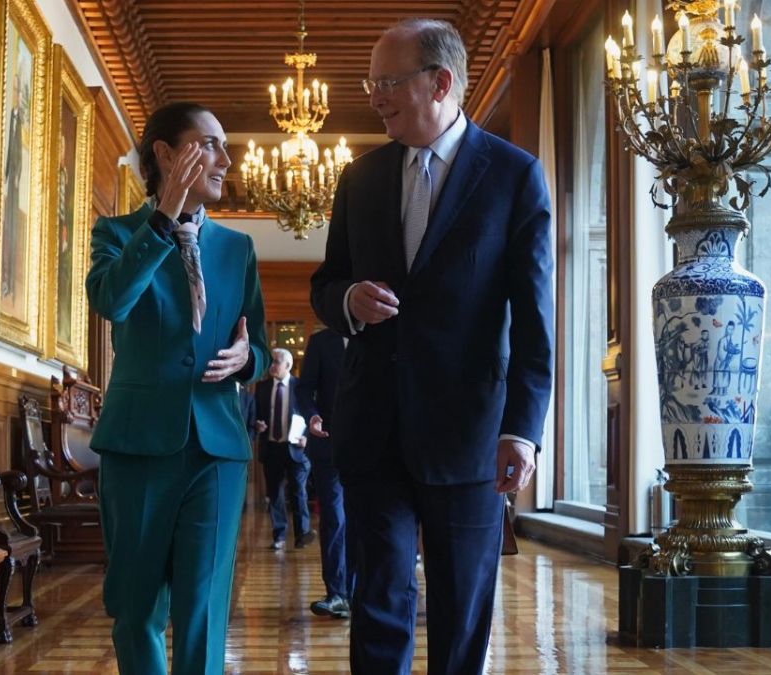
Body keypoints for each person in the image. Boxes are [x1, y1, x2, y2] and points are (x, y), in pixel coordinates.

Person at [309, 19, 554, 674]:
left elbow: (535, 323)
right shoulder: (358, 179)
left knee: (460, 611)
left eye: (387, 82)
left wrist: (523, 430)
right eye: (373, 83)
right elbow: (325, 284)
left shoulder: (514, 177)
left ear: (440, 82)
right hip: (373, 428)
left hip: (469, 438)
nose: (375, 97)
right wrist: (348, 301)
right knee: (380, 600)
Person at [86, 101, 270, 675]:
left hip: (218, 450)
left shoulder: (237, 249)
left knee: (204, 610)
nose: (225, 157)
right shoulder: (116, 234)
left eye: (224, 144)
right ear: (166, 154)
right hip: (138, 446)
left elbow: (259, 348)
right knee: (137, 608)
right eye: (209, 143)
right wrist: (161, 221)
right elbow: (111, 301)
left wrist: (247, 359)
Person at [296, 327, 354, 619]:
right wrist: (312, 415)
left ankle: (363, 591)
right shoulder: (321, 342)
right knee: (334, 516)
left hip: (377, 446)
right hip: (329, 442)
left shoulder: (384, 333)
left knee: (371, 519)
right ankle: (337, 593)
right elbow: (304, 388)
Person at [254, 348, 315, 551]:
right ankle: (279, 536)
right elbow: (256, 414)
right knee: (275, 494)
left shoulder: (300, 387)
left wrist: (306, 437)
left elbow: (312, 414)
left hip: (296, 449)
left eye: (276, 362)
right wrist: (258, 424)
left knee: (299, 491)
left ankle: (302, 534)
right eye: (271, 362)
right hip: (272, 448)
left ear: (288, 365)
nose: (272, 366)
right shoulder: (262, 387)